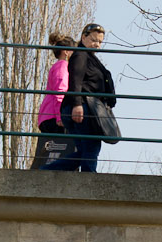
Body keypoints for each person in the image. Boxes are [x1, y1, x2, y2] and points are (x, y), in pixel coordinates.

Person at [45, 22, 115, 172]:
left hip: (84, 106)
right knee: (92, 145)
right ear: (84, 37)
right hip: (81, 106)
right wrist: (77, 104)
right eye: (94, 40)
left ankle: (48, 171)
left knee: (84, 151)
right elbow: (75, 80)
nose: (97, 45)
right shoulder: (81, 55)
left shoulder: (88, 57)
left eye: (100, 42)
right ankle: (89, 179)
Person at [32, 34, 75, 170]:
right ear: (66, 52)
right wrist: (60, 115)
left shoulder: (58, 66)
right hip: (53, 116)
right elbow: (60, 92)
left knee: (52, 149)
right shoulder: (63, 66)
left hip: (49, 115)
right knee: (61, 147)